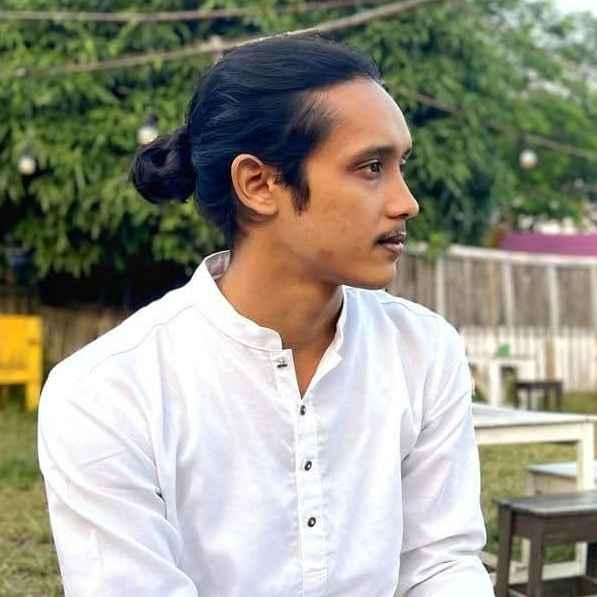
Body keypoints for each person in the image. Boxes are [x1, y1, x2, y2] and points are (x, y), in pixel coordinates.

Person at [38, 33, 494, 596]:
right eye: (372, 167)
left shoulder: (422, 351)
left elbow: (441, 564)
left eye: (401, 166)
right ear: (258, 184)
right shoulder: (108, 391)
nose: (407, 202)